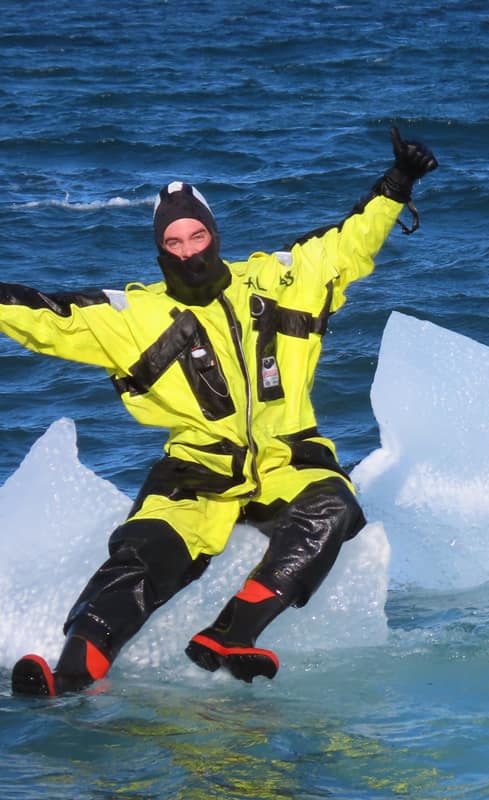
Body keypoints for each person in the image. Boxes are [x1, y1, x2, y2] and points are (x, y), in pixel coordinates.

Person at [6, 128, 438, 695]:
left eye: (197, 234)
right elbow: (43, 314)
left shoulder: (279, 281)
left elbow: (348, 243)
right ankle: (72, 673)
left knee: (333, 509)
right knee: (142, 556)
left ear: (214, 233)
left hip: (286, 459)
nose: (188, 250)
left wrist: (396, 184)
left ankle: (232, 633)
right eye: (175, 242)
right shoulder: (134, 314)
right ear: (161, 249)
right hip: (196, 471)